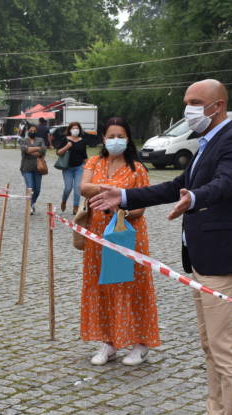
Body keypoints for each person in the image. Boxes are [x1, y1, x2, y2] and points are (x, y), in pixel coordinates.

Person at [90, 80, 232, 415]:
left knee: (225, 348)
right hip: (202, 258)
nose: (189, 110)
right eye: (187, 102)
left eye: (196, 102)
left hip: (225, 259)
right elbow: (173, 186)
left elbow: (226, 183)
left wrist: (195, 198)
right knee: (210, 344)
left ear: (219, 105)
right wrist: (123, 196)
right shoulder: (205, 144)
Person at [78, 117, 160, 367]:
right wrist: (113, 190)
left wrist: (113, 200)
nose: (115, 140)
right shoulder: (94, 161)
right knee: (102, 285)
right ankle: (109, 341)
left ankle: (140, 343)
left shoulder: (137, 169)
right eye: (111, 135)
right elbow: (83, 187)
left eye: (120, 136)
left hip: (127, 236)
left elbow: (140, 209)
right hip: (98, 237)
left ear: (128, 138)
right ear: (103, 138)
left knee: (131, 286)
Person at [56, 122, 89, 215]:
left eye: (77, 128)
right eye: (73, 128)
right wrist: (67, 146)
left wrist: (89, 166)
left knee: (78, 188)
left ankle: (76, 207)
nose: (75, 130)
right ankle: (64, 200)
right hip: (67, 168)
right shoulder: (65, 139)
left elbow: (84, 155)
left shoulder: (82, 141)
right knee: (68, 187)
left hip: (79, 167)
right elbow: (58, 152)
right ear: (70, 130)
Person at [19, 124, 46, 214]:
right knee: (30, 187)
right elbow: (24, 150)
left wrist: (31, 150)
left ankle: (32, 202)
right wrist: (37, 148)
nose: (32, 132)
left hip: (38, 168)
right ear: (28, 130)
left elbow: (43, 150)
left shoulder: (40, 140)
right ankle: (29, 206)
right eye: (31, 130)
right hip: (26, 168)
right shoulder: (23, 140)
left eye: (34, 131)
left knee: (37, 189)